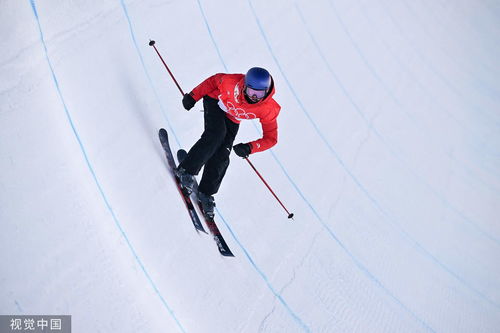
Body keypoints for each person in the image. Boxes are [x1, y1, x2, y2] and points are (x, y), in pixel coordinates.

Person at [175, 67, 281, 218]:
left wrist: (250, 148)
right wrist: (193, 96)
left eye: (260, 94)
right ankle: (186, 170)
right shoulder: (230, 83)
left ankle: (206, 192)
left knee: (223, 153)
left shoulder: (268, 108)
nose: (255, 97)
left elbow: (271, 138)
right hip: (216, 101)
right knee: (216, 135)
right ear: (244, 86)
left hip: (233, 116)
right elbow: (213, 81)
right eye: (252, 92)